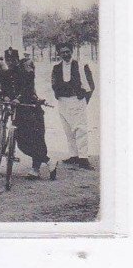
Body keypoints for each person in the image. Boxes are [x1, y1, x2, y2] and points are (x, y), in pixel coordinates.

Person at [1, 48, 56, 180]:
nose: (10, 62)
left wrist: (18, 99)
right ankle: (49, 161)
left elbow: (28, 88)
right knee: (21, 142)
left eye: (12, 60)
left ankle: (35, 169)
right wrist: (6, 97)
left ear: (17, 59)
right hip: (17, 111)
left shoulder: (25, 71)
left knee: (37, 140)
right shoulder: (6, 74)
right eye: (7, 60)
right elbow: (3, 89)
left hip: (31, 109)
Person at [51, 40, 94, 170]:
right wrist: (59, 96)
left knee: (80, 129)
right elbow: (53, 84)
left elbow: (91, 86)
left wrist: (83, 101)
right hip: (63, 102)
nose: (65, 54)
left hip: (77, 100)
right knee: (68, 130)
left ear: (72, 51)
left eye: (67, 52)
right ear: (59, 54)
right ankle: (73, 155)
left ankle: (83, 158)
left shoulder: (81, 66)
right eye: (62, 52)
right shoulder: (56, 68)